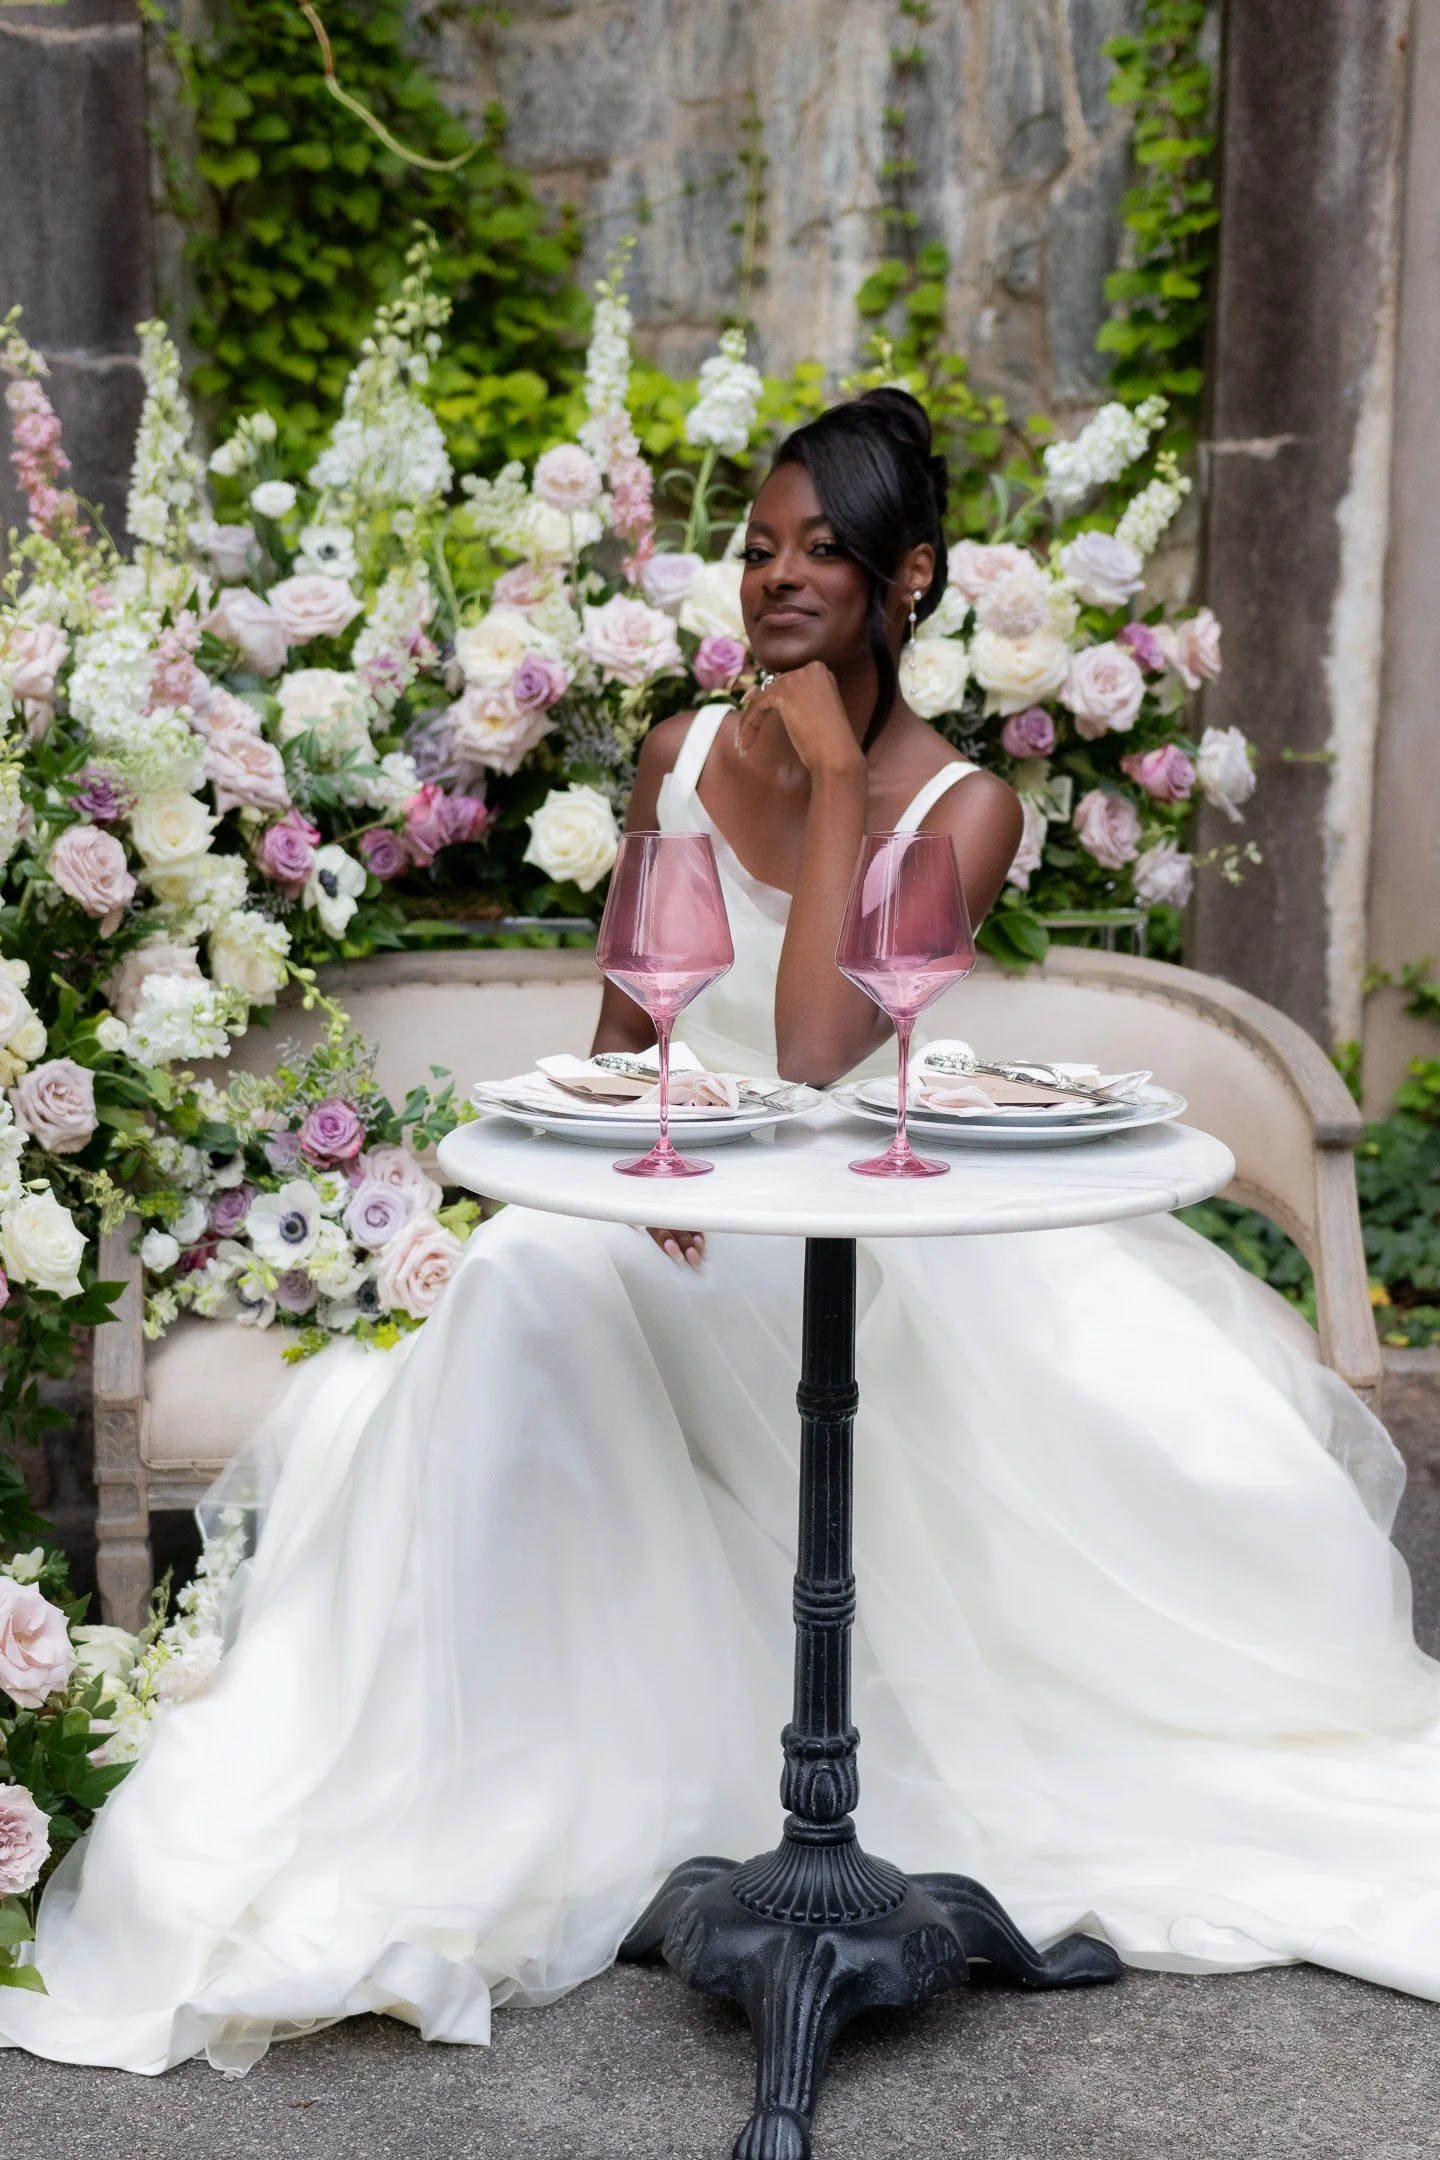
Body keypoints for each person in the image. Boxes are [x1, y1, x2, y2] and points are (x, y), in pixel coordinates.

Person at [4, 391, 1439, 2080]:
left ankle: (612, 1787)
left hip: (860, 1242)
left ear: (909, 581)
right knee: (529, 1278)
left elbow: (825, 1047)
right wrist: (624, 1172)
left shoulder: (963, 808)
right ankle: (448, 1792)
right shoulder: (678, 754)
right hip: (672, 1221)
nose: (775, 579)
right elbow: (630, 1029)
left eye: (823, 551)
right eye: (757, 546)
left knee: (541, 1297)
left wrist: (836, 778)